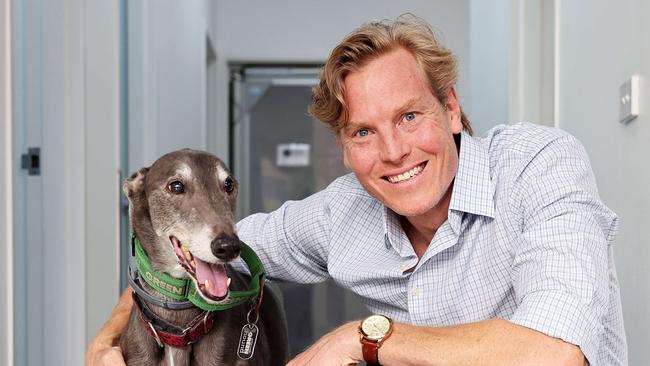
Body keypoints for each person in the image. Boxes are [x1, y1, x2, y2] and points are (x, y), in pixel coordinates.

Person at [87, 15, 627, 366]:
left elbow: (556, 351)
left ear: (452, 109)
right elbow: (196, 255)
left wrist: (361, 338)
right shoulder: (342, 211)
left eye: (410, 116)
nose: (393, 151)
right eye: (364, 132)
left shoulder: (540, 166)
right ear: (345, 148)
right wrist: (108, 338)